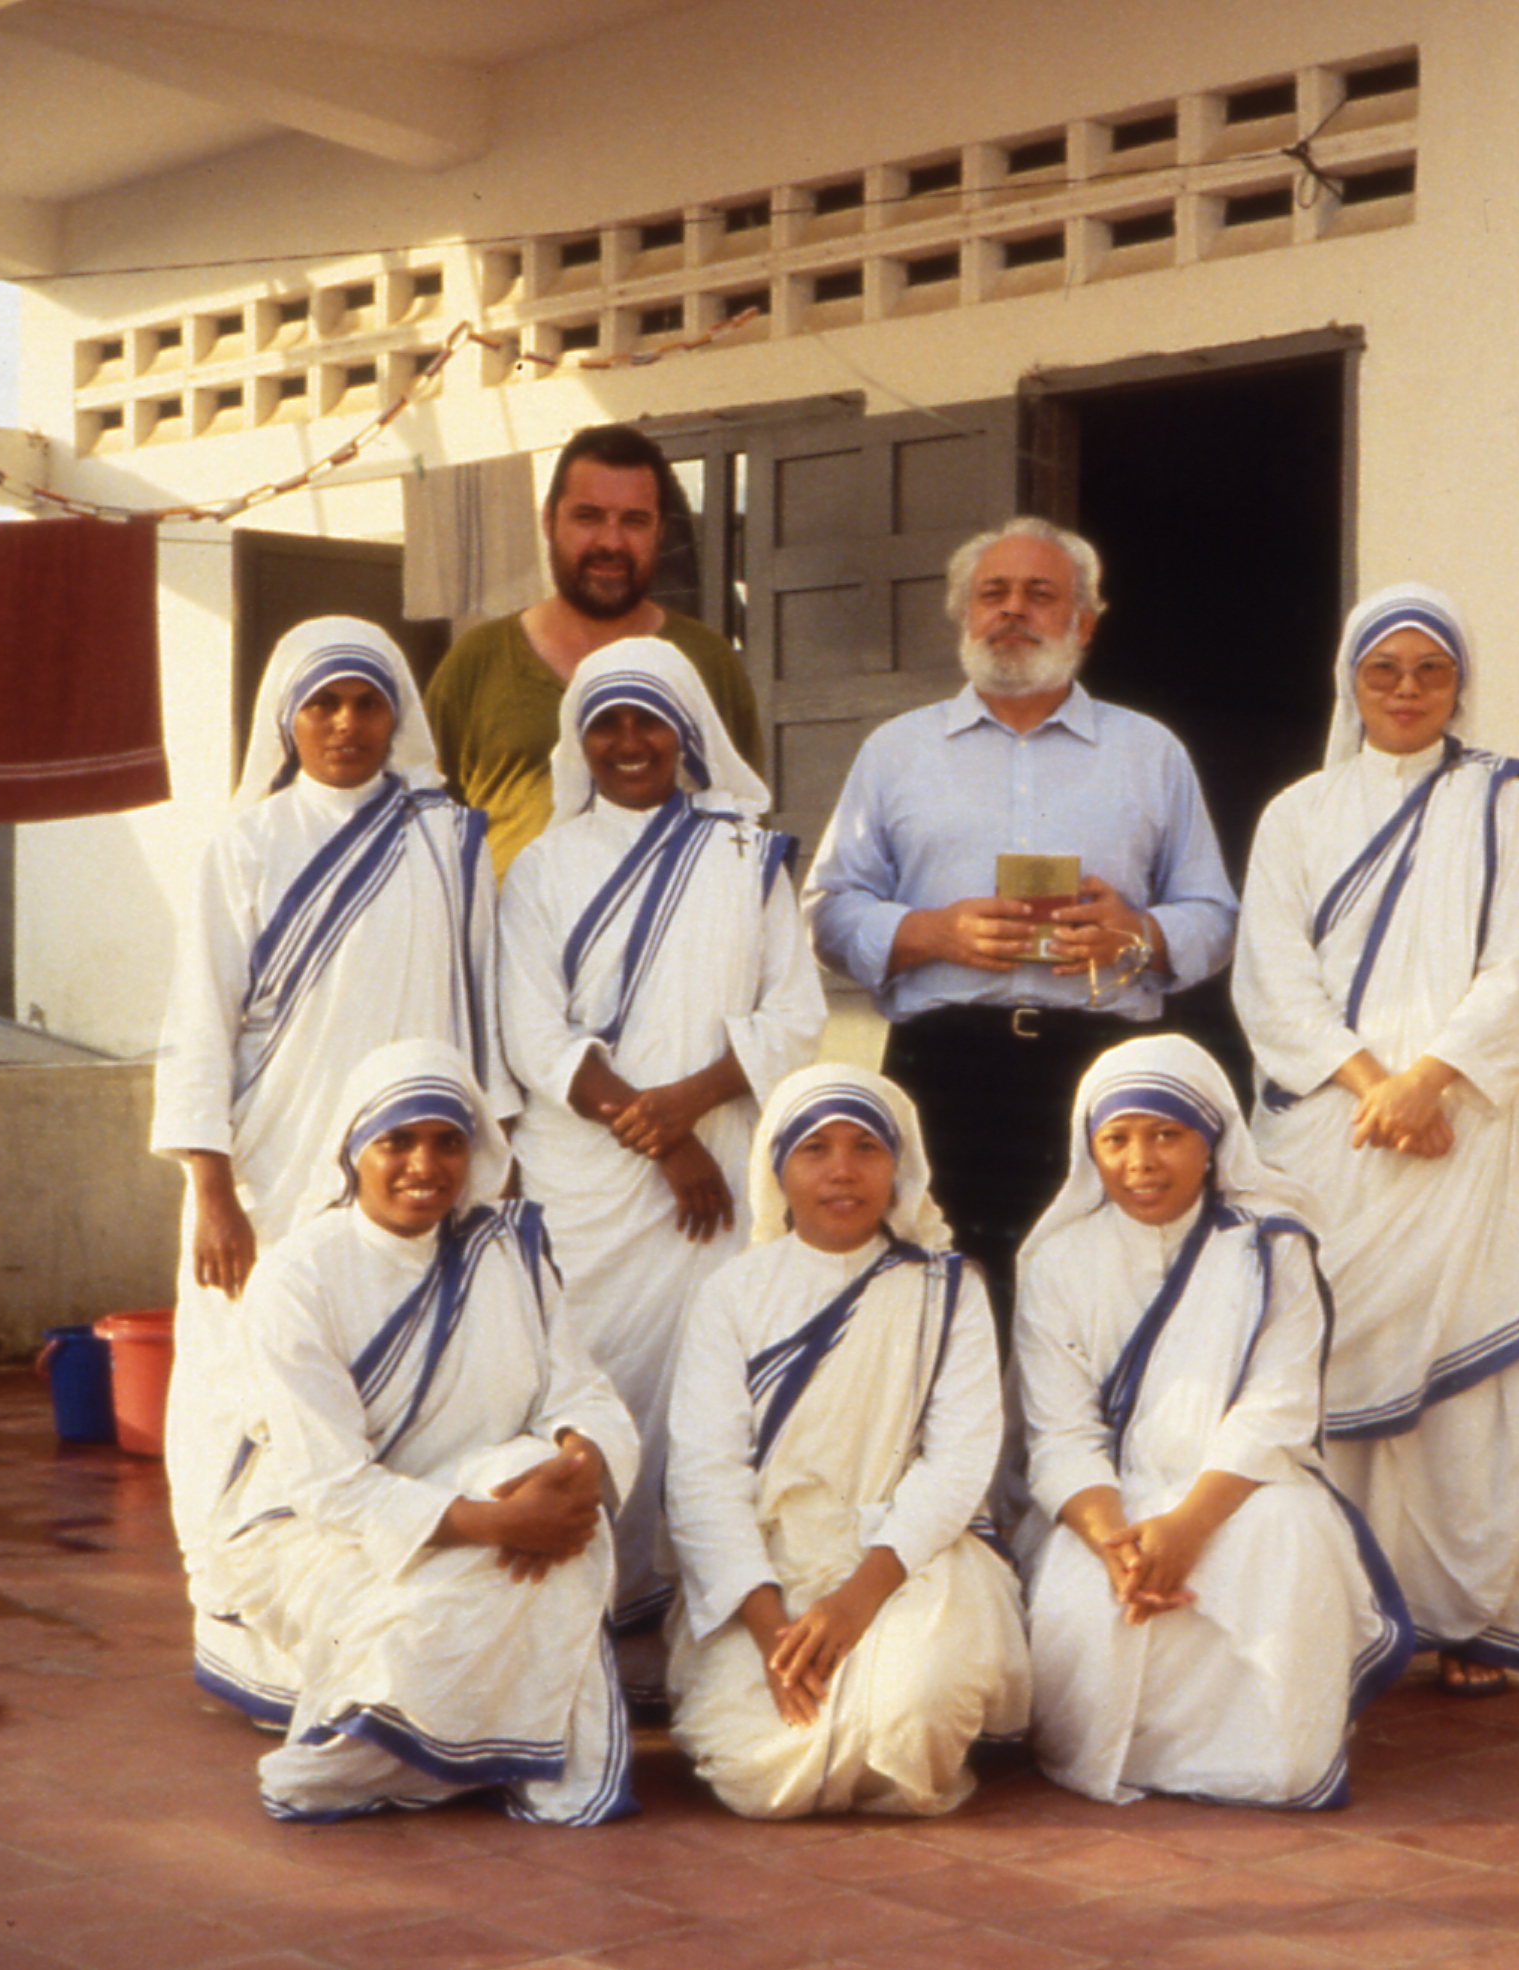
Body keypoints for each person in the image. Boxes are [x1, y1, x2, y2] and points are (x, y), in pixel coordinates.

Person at [149, 614, 512, 1720]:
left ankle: (375, 1596)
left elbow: (483, 1007)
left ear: (397, 712)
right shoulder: (245, 845)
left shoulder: (452, 840)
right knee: (245, 1380)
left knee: (395, 1371)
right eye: (322, 704)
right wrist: (210, 1184)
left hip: (413, 1170)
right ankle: (247, 1611)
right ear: (287, 719)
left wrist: (491, 1161)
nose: (346, 723)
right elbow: (200, 1024)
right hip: (269, 1166)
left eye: (365, 701)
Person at [1231, 581, 1519, 1694]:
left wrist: (1432, 1081)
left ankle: (1465, 1616)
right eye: (1386, 670)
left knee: (1467, 1388)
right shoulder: (1297, 814)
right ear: (1352, 684)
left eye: (1431, 670)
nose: (1409, 690)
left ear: (1460, 682)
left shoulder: (1499, 803)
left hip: (1461, 1131)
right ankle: (1336, 1601)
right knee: (1323, 1366)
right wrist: (1376, 1085)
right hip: (1337, 1130)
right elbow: (1273, 977)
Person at [498, 639, 827, 1700]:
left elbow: (796, 1013)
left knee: (698, 1391)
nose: (629, 744)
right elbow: (531, 1031)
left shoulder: (745, 855)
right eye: (608, 724)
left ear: (688, 732)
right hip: (586, 1181)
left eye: (649, 722)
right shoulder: (543, 867)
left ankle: (681, 1639)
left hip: (715, 1177)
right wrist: (665, 1135)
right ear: (579, 739)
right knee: (581, 1382)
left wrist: (691, 1106)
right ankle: (574, 1628)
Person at [802, 516, 1238, 1300]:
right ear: (964, 616)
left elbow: (1216, 915)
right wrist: (931, 931)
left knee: (1102, 1301)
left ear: (1084, 623)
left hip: (1105, 1071)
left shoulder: (1150, 752)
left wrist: (1137, 933)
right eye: (992, 594)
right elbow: (827, 911)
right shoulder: (896, 752)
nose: (1012, 610)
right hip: (943, 1070)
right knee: (936, 1298)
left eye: (1039, 594)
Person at [206, 1039, 639, 1823]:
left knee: (563, 1510)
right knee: (480, 1591)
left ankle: (408, 1750)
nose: (424, 1165)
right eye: (395, 1141)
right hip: (311, 1529)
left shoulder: (504, 1251)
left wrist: (577, 1465)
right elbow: (328, 1485)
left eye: (447, 1141)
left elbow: (576, 1387)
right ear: (353, 1151)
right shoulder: (299, 1276)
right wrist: (502, 1523)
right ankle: (378, 1752)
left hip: (479, 1497)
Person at [1017, 1034, 1412, 1807]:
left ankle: (1263, 1767)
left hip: (1243, 1487)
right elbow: (1059, 1434)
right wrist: (1117, 1545)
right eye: (1117, 1139)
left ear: (1213, 1142)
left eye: (1168, 1134)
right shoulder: (1057, 1264)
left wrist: (1188, 1528)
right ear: (1089, 1150)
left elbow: (1278, 1406)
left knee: (1286, 1540)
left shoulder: (1271, 1248)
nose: (1142, 1162)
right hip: (1109, 1505)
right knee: (1078, 1604)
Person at [660, 1065, 1031, 1817]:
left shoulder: (948, 1290)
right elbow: (704, 1475)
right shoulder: (732, 1294)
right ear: (778, 1169)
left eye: (866, 1147)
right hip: (767, 1570)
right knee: (758, 1774)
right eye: (814, 1149)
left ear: (899, 1167)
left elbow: (959, 1459)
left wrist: (856, 1601)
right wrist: (773, 1632)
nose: (841, 1170)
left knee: (911, 1719)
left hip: (906, 1560)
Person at [421, 423, 763, 871]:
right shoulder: (476, 662)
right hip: (512, 940)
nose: (610, 542)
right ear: (548, 520)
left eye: (634, 521)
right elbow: (426, 836)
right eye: (588, 517)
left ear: (659, 532)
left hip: (662, 938)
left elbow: (744, 831)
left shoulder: (705, 663)